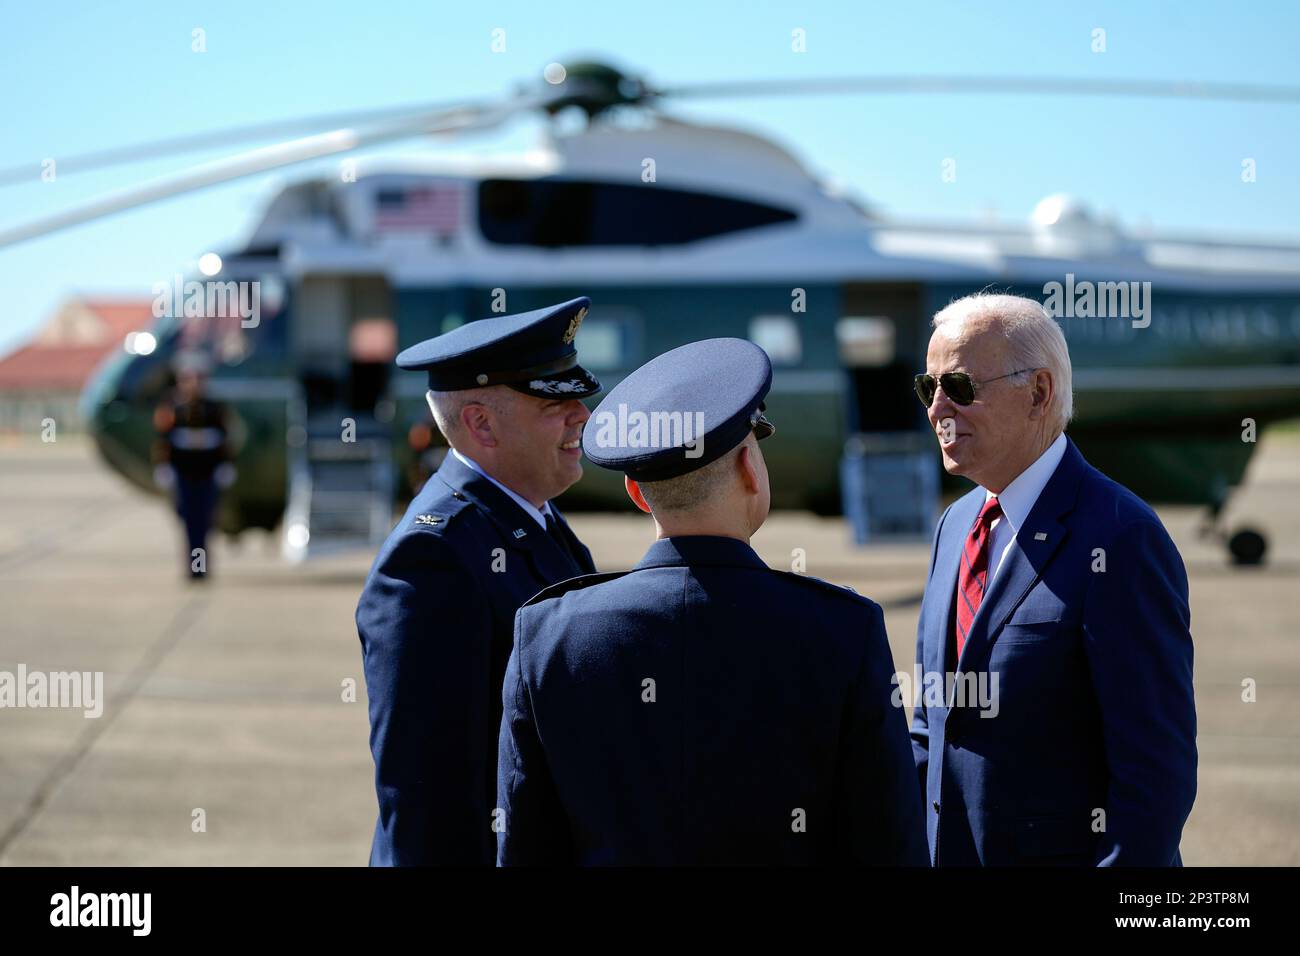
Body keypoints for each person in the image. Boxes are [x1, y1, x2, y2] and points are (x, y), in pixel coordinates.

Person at [496, 337, 928, 866]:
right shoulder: (843, 630)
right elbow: (889, 846)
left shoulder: (548, 635)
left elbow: (524, 847)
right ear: (750, 467)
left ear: (635, 491)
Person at [909, 292, 1196, 866]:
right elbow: (932, 726)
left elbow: (1153, 774)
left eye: (960, 387)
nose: (939, 408)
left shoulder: (1120, 537)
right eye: (927, 388)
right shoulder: (956, 524)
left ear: (1038, 392)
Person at [357, 297, 601, 866]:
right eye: (554, 402)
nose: (582, 416)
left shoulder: (531, 516)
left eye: (578, 396)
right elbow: (426, 794)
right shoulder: (433, 557)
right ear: (480, 423)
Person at [152, 351, 235, 581]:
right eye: (189, 379)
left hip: (207, 472)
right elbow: (162, 439)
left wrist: (225, 465)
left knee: (204, 521)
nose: (194, 384)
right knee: (188, 520)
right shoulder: (172, 409)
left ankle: (201, 568)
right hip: (184, 472)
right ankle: (193, 568)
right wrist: (164, 466)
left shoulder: (214, 408)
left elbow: (226, 438)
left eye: (199, 379)